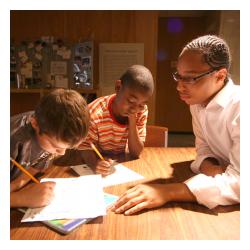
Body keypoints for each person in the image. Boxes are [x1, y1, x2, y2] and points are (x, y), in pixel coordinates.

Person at [111, 35, 240, 215]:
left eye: (191, 78)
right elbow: (203, 147)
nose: (179, 87)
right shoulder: (197, 102)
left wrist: (168, 191)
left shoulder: (241, 107)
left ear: (220, 76)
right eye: (178, 76)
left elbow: (241, 183)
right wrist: (209, 166)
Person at [10, 89, 89, 208]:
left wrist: (15, 186)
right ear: (35, 124)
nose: (62, 153)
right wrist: (20, 198)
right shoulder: (11, 140)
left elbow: (33, 168)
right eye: (56, 146)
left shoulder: (50, 127)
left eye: (68, 148)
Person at [79, 65, 154, 176]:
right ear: (118, 87)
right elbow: (85, 147)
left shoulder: (140, 111)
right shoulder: (94, 114)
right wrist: (95, 164)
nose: (135, 109)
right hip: (97, 161)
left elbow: (136, 152)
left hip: (120, 163)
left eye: (142, 104)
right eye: (131, 101)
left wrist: (132, 121)